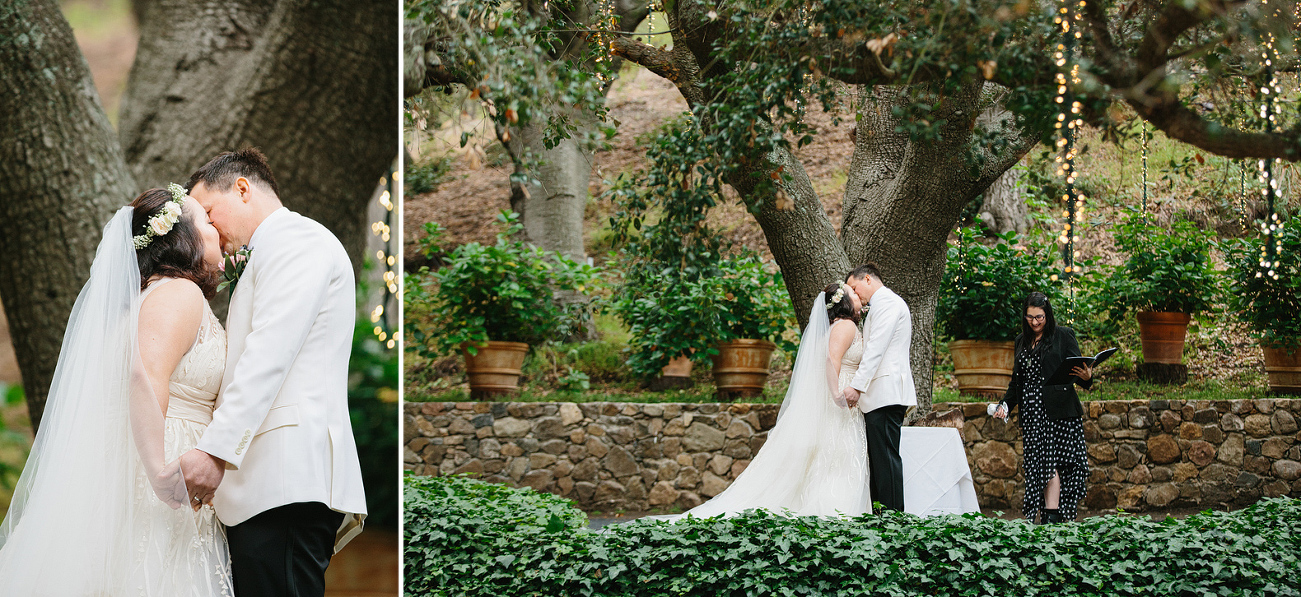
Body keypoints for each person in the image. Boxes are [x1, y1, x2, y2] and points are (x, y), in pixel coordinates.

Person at [0, 185, 234, 595]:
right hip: (159, 471)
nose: (217, 231)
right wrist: (159, 470)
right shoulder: (179, 293)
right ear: (186, 239)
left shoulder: (146, 299)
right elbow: (144, 374)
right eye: (208, 223)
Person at [180, 148, 368, 596]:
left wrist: (215, 452)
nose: (206, 228)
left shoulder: (297, 241)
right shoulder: (272, 250)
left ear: (242, 188)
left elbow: (268, 357)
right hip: (266, 486)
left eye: (208, 211)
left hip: (285, 480)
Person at [646, 284, 870, 520]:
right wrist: (836, 394)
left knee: (837, 456)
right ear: (842, 301)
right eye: (853, 293)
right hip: (841, 401)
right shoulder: (845, 326)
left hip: (843, 401)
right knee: (839, 456)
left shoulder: (841, 326)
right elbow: (831, 359)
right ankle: (837, 512)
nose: (858, 295)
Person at [993, 291, 1093, 524]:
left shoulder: (1063, 336)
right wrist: (1005, 405)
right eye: (1030, 317)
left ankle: (1051, 517)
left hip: (1058, 412)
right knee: (1042, 465)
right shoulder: (1021, 341)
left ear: (1047, 314)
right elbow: (1016, 383)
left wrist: (1087, 376)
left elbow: (1077, 372)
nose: (1035, 322)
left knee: (1054, 464)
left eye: (1040, 317)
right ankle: (1051, 517)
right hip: (1032, 414)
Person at [838, 263, 917, 513]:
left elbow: (875, 351)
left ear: (868, 279)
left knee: (886, 460)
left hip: (885, 393)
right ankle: (880, 516)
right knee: (880, 460)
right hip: (879, 395)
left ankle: (893, 520)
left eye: (853, 286)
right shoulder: (880, 306)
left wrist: (856, 387)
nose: (853, 293)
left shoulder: (889, 304)